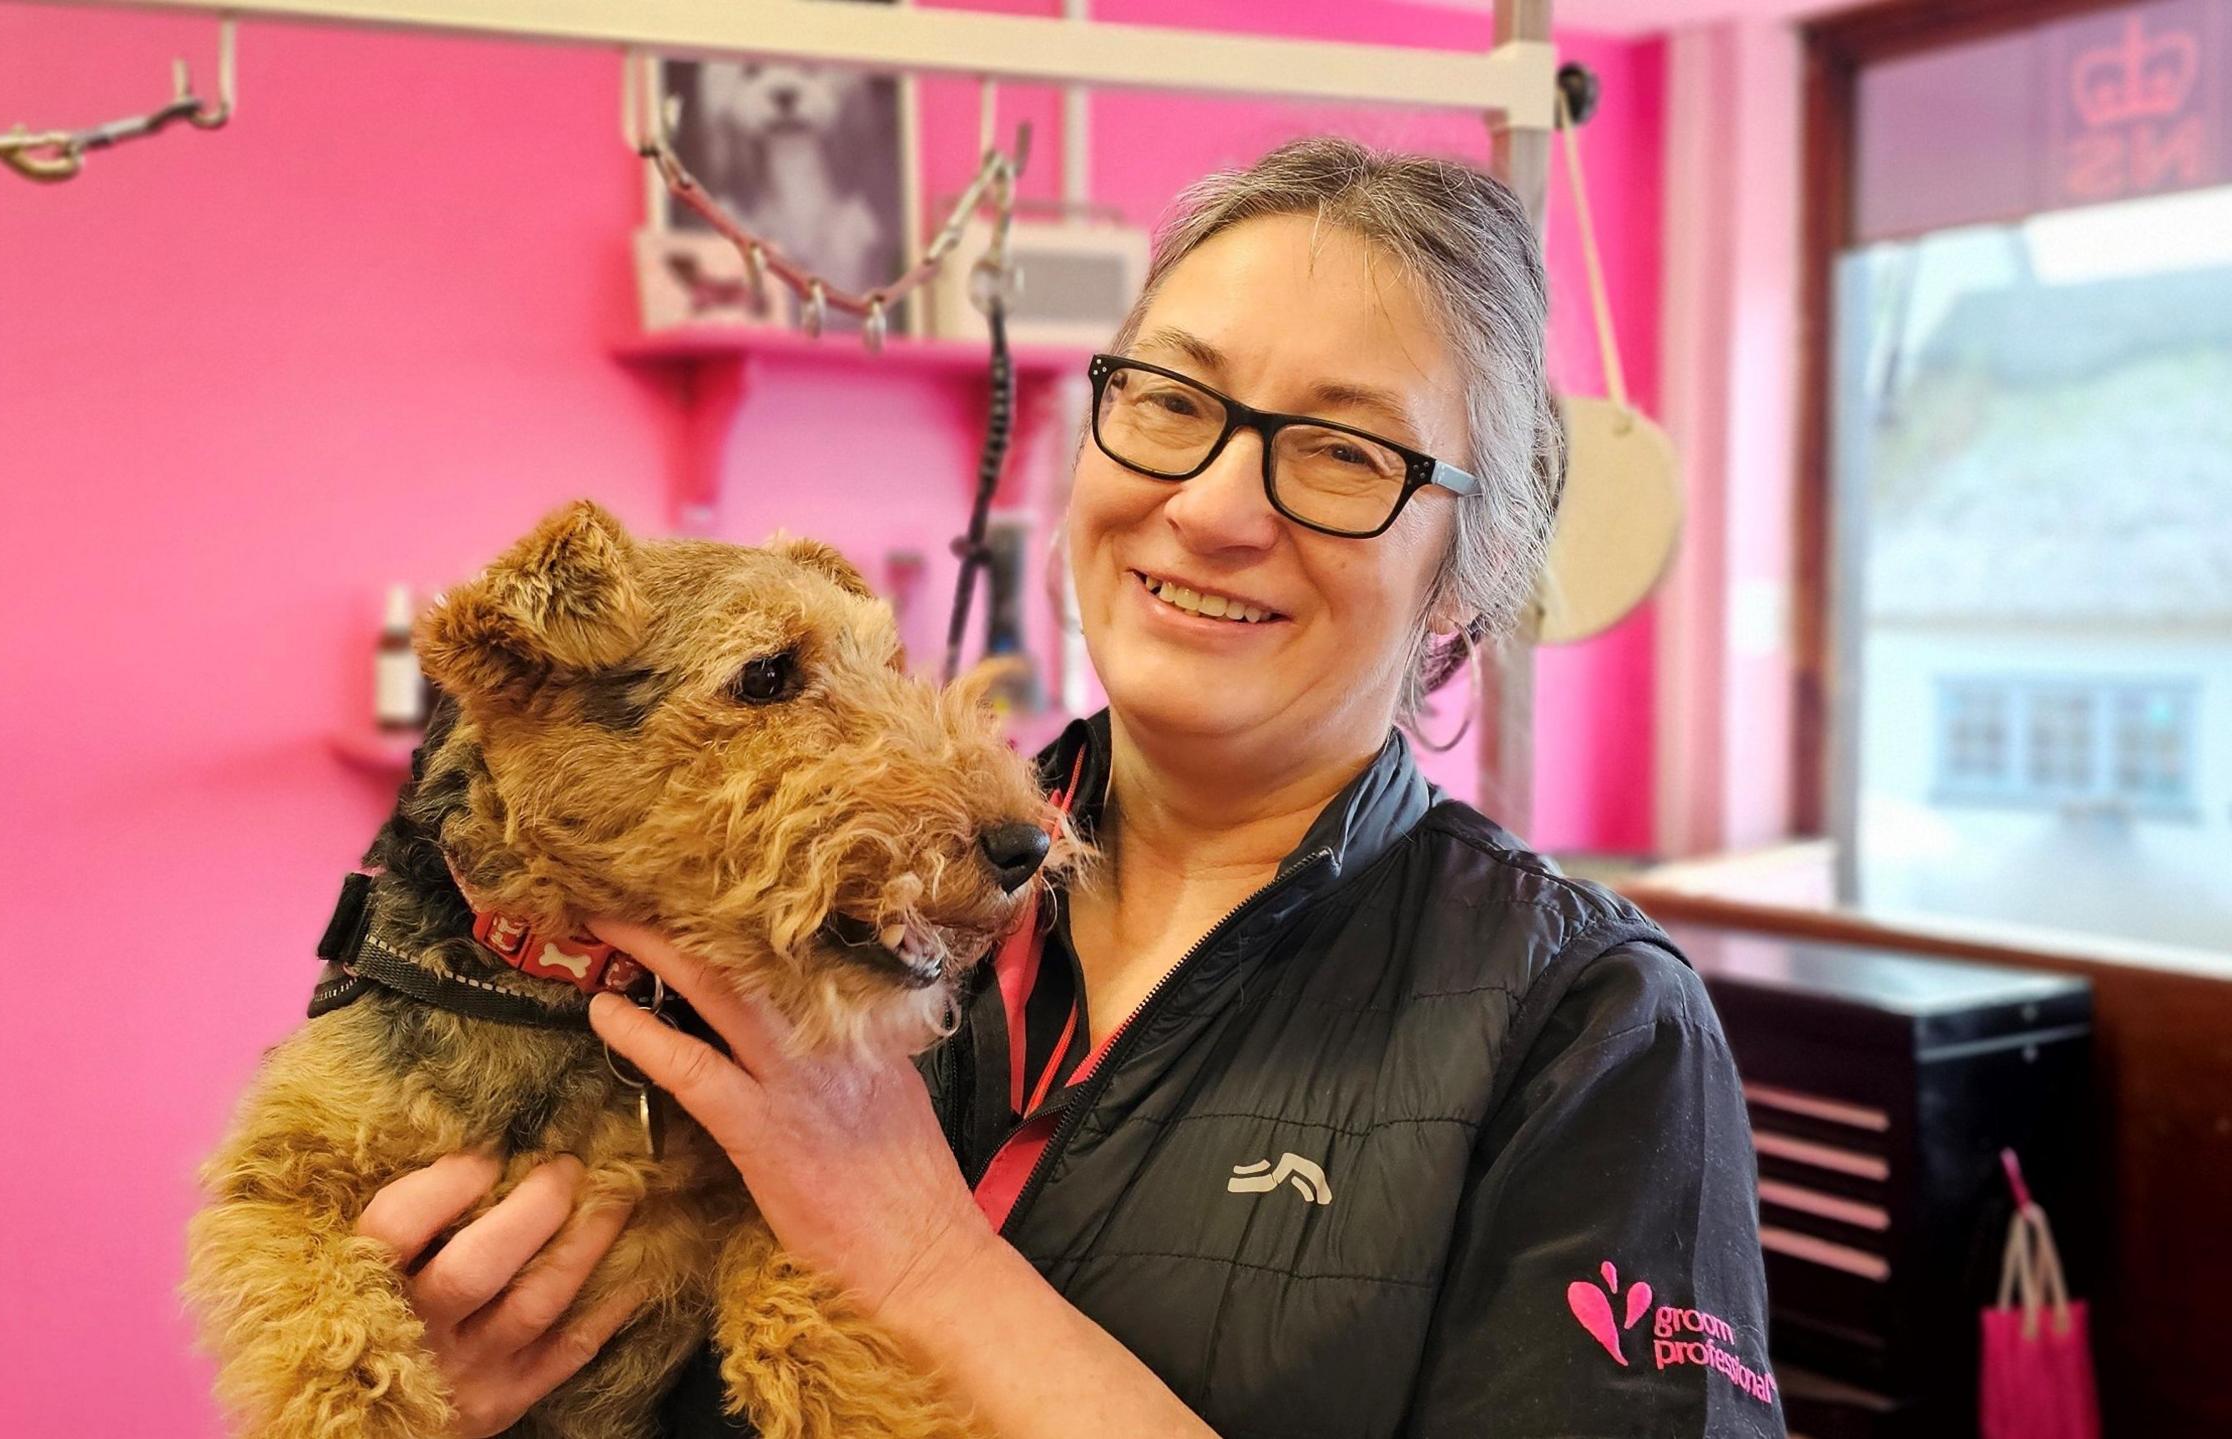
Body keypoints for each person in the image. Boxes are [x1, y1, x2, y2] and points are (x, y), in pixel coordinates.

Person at [359, 138, 1785, 1437]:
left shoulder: (1584, 1028)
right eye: (1170, 402)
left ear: (1463, 587)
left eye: (1346, 453)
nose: (1217, 509)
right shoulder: (761, 904)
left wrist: (923, 1258)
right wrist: (457, 1403)